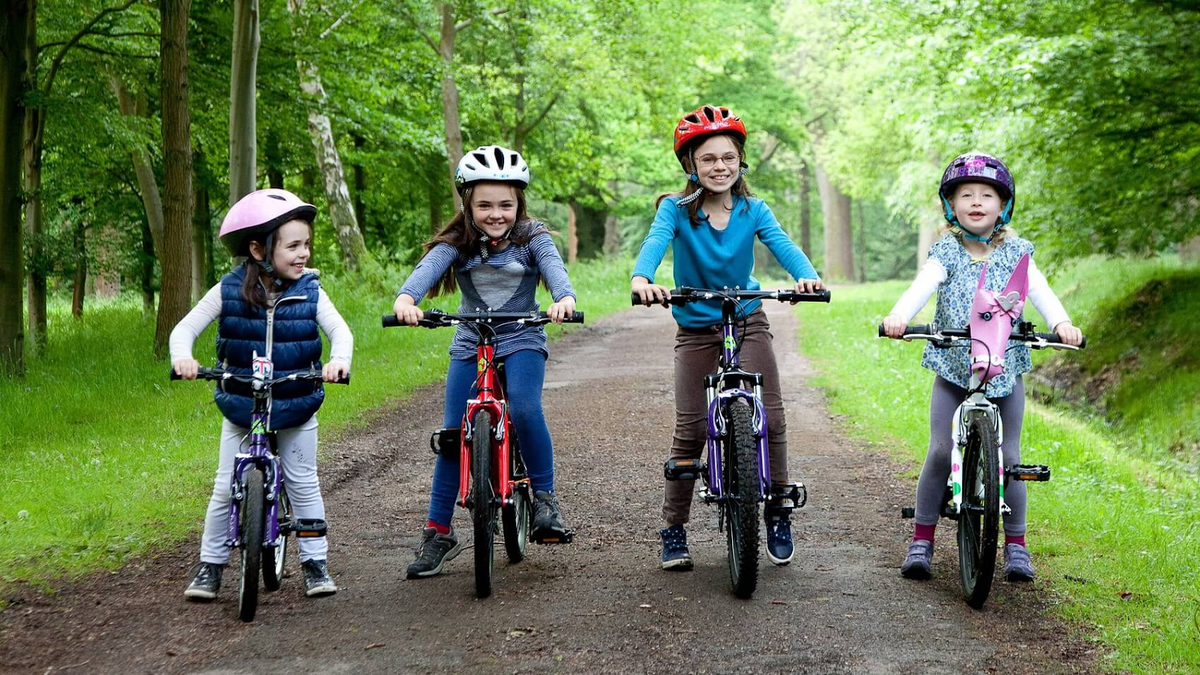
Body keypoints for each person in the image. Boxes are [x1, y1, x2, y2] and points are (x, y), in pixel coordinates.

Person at [631, 104, 823, 570]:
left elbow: (783, 244)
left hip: (746, 317)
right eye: (708, 159)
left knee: (771, 415)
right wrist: (642, 278)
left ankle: (777, 507)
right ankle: (674, 529)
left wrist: (806, 277)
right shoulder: (675, 211)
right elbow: (654, 244)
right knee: (692, 428)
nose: (720, 166)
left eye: (728, 157)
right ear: (690, 165)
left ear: (740, 161)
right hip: (697, 326)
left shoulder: (754, 210)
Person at [881, 152, 1083, 582]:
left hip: (1004, 370)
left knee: (1010, 458)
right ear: (951, 205)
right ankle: (922, 539)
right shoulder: (947, 252)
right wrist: (899, 316)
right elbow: (923, 285)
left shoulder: (1017, 252)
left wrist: (1062, 323)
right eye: (966, 195)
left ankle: (1016, 545)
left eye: (986, 195)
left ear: (1002, 205)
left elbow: (1040, 291)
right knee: (940, 450)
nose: (976, 202)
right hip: (955, 368)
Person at [393, 145, 578, 579]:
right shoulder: (458, 242)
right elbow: (427, 269)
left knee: (526, 409)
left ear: (519, 203)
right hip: (470, 341)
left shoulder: (532, 238)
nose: (496, 214)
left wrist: (563, 298)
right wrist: (406, 298)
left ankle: (545, 501)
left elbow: (554, 270)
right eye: (485, 205)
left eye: (505, 204)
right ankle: (439, 532)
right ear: (467, 204)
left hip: (522, 337)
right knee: (452, 434)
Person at [171, 188, 352, 600]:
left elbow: (340, 332)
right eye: (293, 246)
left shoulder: (310, 291)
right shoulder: (229, 290)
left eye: (306, 244)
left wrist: (338, 361)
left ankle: (315, 563)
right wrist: (183, 357)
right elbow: (185, 329)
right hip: (242, 402)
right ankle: (210, 566)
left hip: (295, 399)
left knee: (303, 481)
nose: (303, 254)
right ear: (258, 250)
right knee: (224, 486)